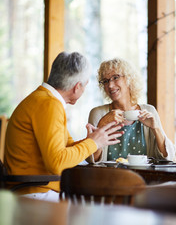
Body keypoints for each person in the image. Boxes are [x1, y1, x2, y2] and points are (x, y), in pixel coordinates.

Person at [4, 52, 124, 202]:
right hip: (36, 194)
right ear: (77, 87)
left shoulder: (43, 99)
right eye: (85, 86)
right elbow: (57, 163)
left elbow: (66, 149)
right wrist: (93, 143)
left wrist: (92, 139)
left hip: (35, 191)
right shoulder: (49, 104)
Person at [86, 58, 176, 163]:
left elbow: (168, 156)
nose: (110, 85)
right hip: (110, 177)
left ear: (129, 79)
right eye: (105, 81)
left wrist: (156, 128)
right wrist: (102, 125)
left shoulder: (148, 110)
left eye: (115, 77)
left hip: (144, 177)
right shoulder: (98, 113)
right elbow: (92, 160)